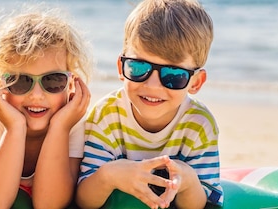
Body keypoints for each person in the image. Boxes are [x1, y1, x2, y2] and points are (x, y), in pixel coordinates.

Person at [76, 0, 223, 208]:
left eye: (173, 75)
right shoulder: (106, 115)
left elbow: (204, 204)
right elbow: (84, 201)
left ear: (196, 82)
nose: (152, 86)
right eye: (138, 67)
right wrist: (109, 175)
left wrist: (189, 182)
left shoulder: (199, 124)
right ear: (121, 67)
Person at [0, 5, 93, 209]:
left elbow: (49, 204)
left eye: (53, 81)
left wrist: (60, 128)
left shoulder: (72, 122)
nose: (36, 95)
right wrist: (15, 128)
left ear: (71, 84)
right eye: (20, 81)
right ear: (0, 83)